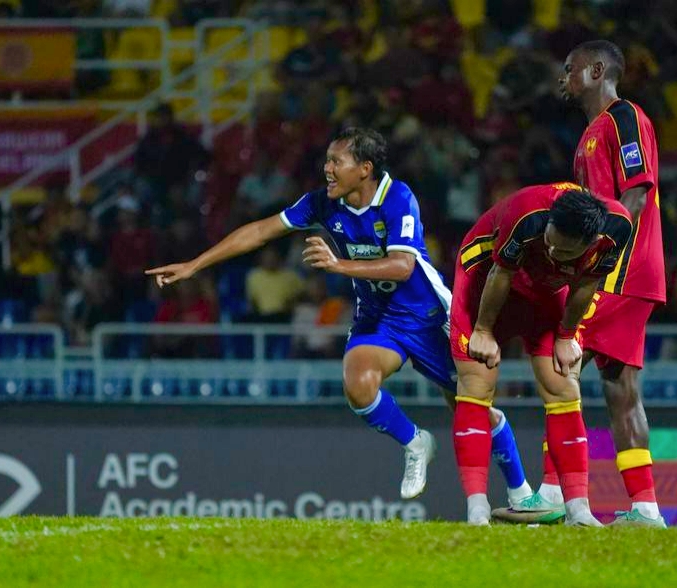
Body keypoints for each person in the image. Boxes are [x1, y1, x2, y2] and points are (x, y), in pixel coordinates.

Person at [146, 128, 538, 506]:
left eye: (336, 161)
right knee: (359, 385)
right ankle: (416, 441)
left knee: (472, 410)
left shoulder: (397, 197)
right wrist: (195, 265)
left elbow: (402, 266)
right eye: (327, 161)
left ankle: (521, 493)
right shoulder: (323, 202)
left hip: (429, 317)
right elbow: (262, 231)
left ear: (364, 168)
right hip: (378, 318)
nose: (327, 169)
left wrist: (339, 264)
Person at [450, 182, 633, 526]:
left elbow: (587, 284)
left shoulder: (617, 229)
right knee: (476, 382)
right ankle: (476, 511)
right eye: (548, 240)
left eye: (562, 251)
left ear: (589, 243)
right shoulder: (528, 214)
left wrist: (565, 335)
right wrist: (484, 330)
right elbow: (500, 272)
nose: (550, 249)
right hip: (486, 277)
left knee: (563, 385)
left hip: (544, 289)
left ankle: (579, 512)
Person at [558, 40, 667, 527]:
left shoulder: (623, 118)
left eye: (571, 68)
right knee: (620, 388)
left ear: (597, 70)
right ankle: (646, 510)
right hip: (626, 271)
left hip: (620, 269)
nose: (563, 76)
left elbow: (637, 194)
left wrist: (601, 262)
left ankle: (555, 495)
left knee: (556, 356)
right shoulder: (589, 134)